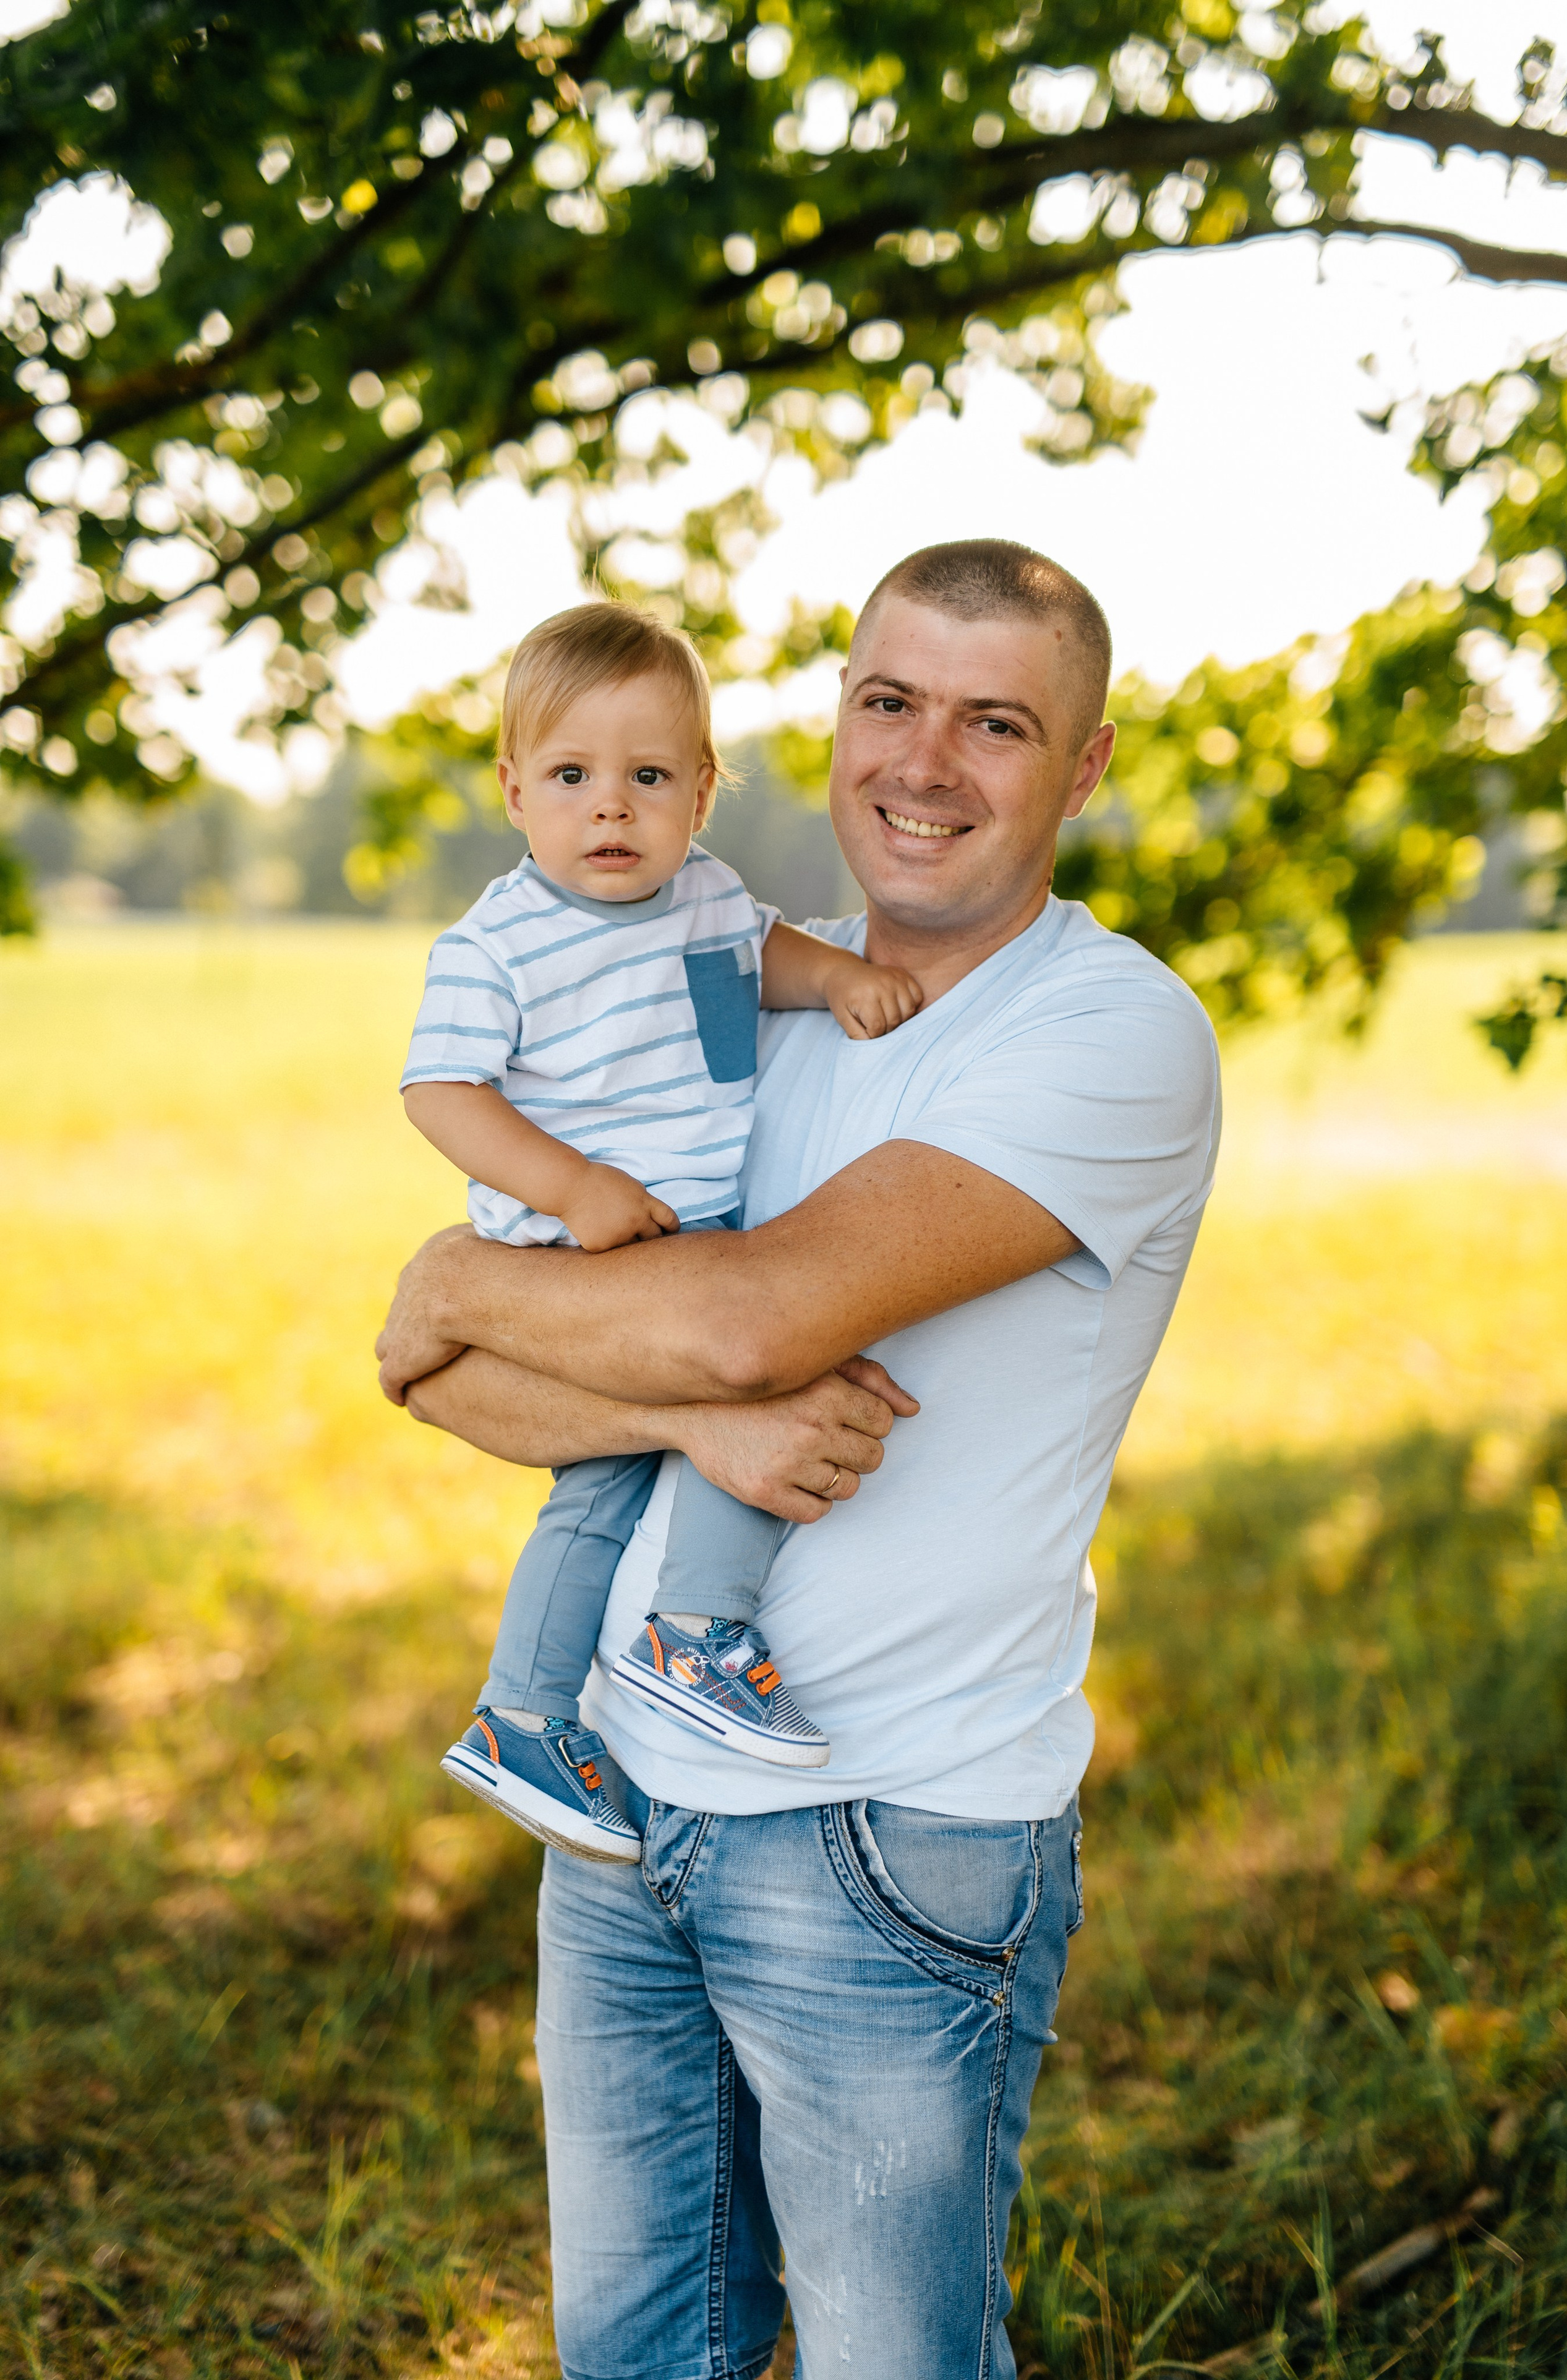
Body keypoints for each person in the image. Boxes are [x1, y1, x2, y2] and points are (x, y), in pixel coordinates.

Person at [377, 539, 1221, 2380]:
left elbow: (747, 1320)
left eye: (996, 724)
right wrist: (656, 1393)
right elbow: (441, 1379)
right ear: (834, 721)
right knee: (635, 2354)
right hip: (612, 1798)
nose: (925, 763)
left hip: (888, 1822)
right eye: (890, 702)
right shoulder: (736, 993)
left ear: (1079, 771)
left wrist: (480, 1280)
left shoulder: (1112, 1030)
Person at [401, 602, 923, 1864]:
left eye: (647, 778)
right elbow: (441, 1092)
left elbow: (758, 961)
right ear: (516, 789)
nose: (611, 809)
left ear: (700, 793)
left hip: (698, 1235)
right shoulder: (498, 943)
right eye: (573, 777)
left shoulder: (704, 901)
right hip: (580, 1252)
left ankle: (540, 1702)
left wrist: (842, 980)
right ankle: (674, 1643)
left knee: (634, 1462)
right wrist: (572, 1185)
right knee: (657, 1452)